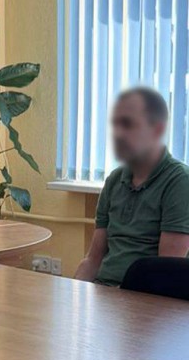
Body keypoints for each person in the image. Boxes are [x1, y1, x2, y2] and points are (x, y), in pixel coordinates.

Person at [75, 87, 189, 286]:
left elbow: (166, 274)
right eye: (116, 125)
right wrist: (73, 295)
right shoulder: (115, 179)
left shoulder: (179, 181)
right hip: (104, 290)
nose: (119, 134)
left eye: (128, 124)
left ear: (157, 130)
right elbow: (93, 260)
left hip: (145, 296)